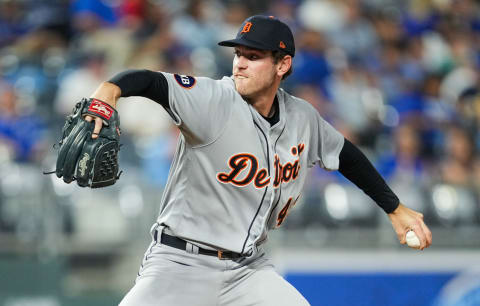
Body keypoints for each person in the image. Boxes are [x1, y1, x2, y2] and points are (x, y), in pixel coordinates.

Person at [85, 15, 432, 306]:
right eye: (239, 54)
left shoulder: (302, 118)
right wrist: (109, 91)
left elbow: (346, 156)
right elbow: (150, 82)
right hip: (181, 263)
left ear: (283, 64)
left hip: (248, 271)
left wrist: (394, 208)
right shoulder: (212, 99)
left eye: (253, 56)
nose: (240, 63)